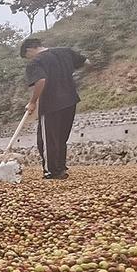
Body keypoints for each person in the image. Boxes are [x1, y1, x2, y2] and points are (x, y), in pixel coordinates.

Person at [20, 38, 88, 180]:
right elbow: (86, 62)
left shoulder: (36, 62)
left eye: (27, 56)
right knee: (61, 138)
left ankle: (51, 171)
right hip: (70, 101)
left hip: (51, 104)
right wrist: (66, 76)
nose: (29, 59)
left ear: (29, 49)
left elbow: (41, 80)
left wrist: (32, 102)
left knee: (48, 139)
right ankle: (60, 168)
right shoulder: (65, 52)